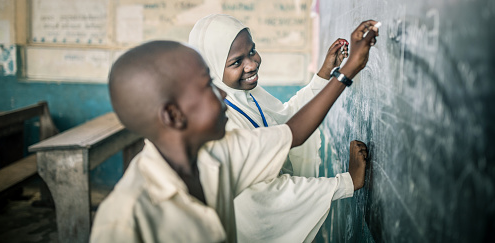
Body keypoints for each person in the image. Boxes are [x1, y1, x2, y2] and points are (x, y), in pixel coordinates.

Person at [90, 20, 378, 243]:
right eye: (207, 85)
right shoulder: (124, 221)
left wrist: (348, 69)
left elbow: (292, 130)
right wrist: (344, 182)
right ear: (174, 115)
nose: (221, 93)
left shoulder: (222, 151)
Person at [188, 14, 358, 242]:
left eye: (252, 50)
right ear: (213, 67)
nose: (252, 64)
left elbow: (285, 121)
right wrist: (346, 183)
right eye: (236, 62)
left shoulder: (244, 95)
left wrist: (324, 74)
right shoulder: (220, 123)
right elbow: (262, 198)